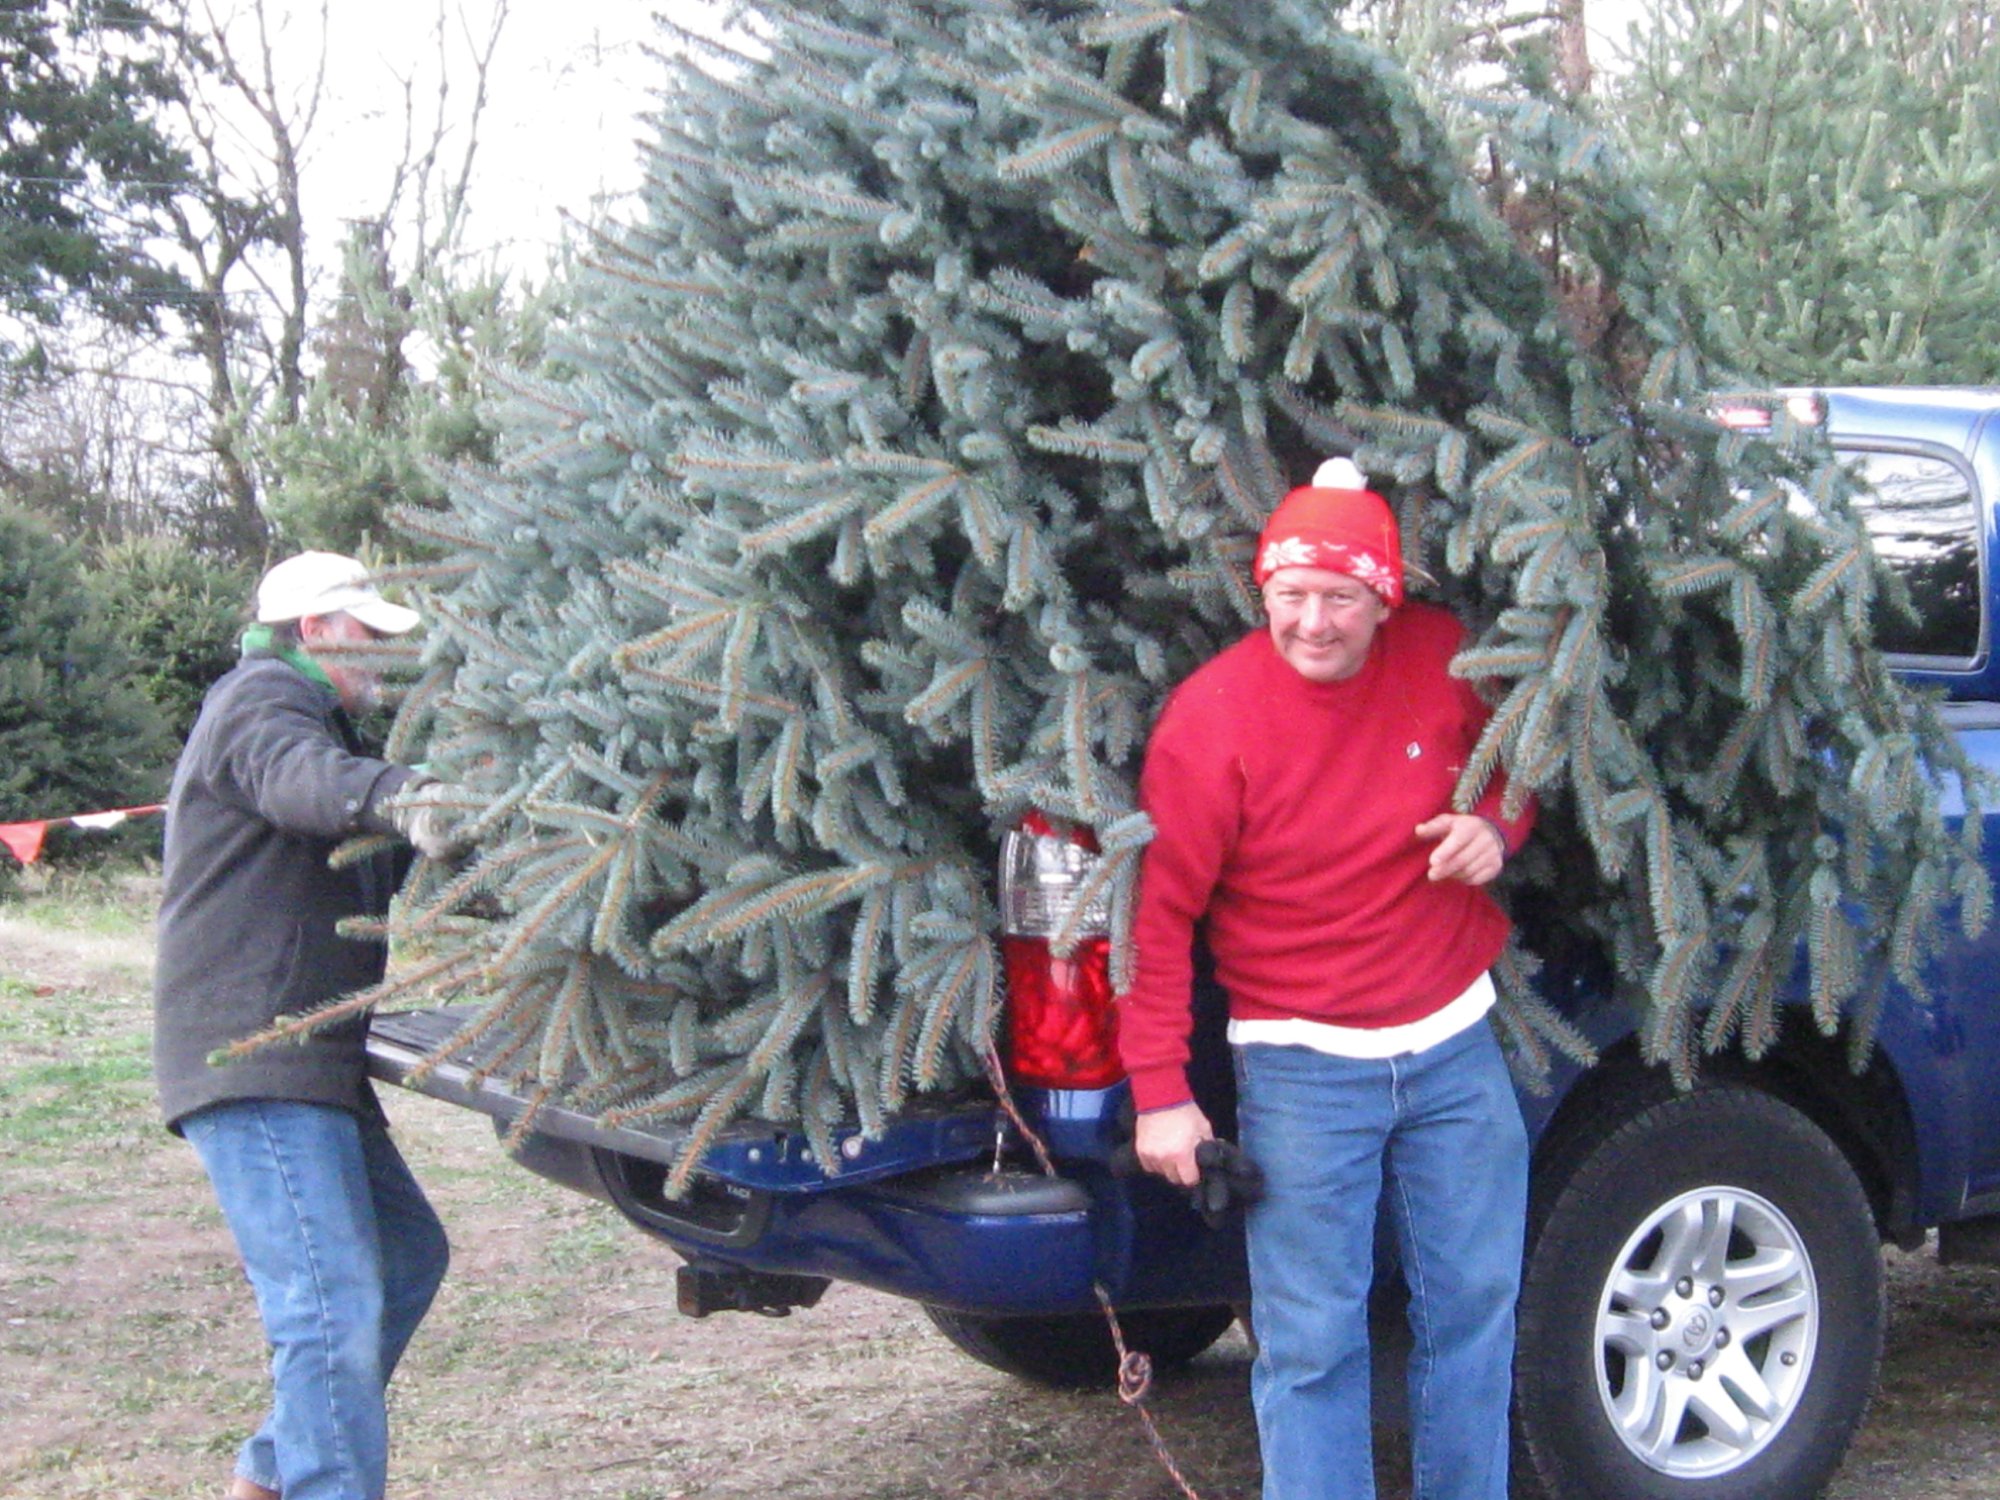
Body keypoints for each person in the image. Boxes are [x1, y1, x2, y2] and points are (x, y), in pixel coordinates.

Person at [1118, 461, 1533, 1500]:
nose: (1311, 621)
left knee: (1475, 1306)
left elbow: (1523, 745)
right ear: (1261, 593)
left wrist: (1495, 826)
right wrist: (1160, 1096)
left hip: (1451, 1045)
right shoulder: (1210, 720)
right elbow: (1157, 919)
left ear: (1381, 597)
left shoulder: (1444, 657)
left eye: (1338, 596)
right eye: (1289, 595)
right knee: (1309, 1342)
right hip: (1302, 1067)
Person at [153, 551, 463, 1500]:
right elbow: (302, 780)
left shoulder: (321, 730)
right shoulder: (260, 703)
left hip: (314, 1063)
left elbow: (386, 844)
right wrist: (399, 794)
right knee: (326, 1306)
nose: (385, 659)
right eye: (371, 635)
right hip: (256, 1057)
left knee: (409, 1254)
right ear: (318, 631)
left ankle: (272, 1472)